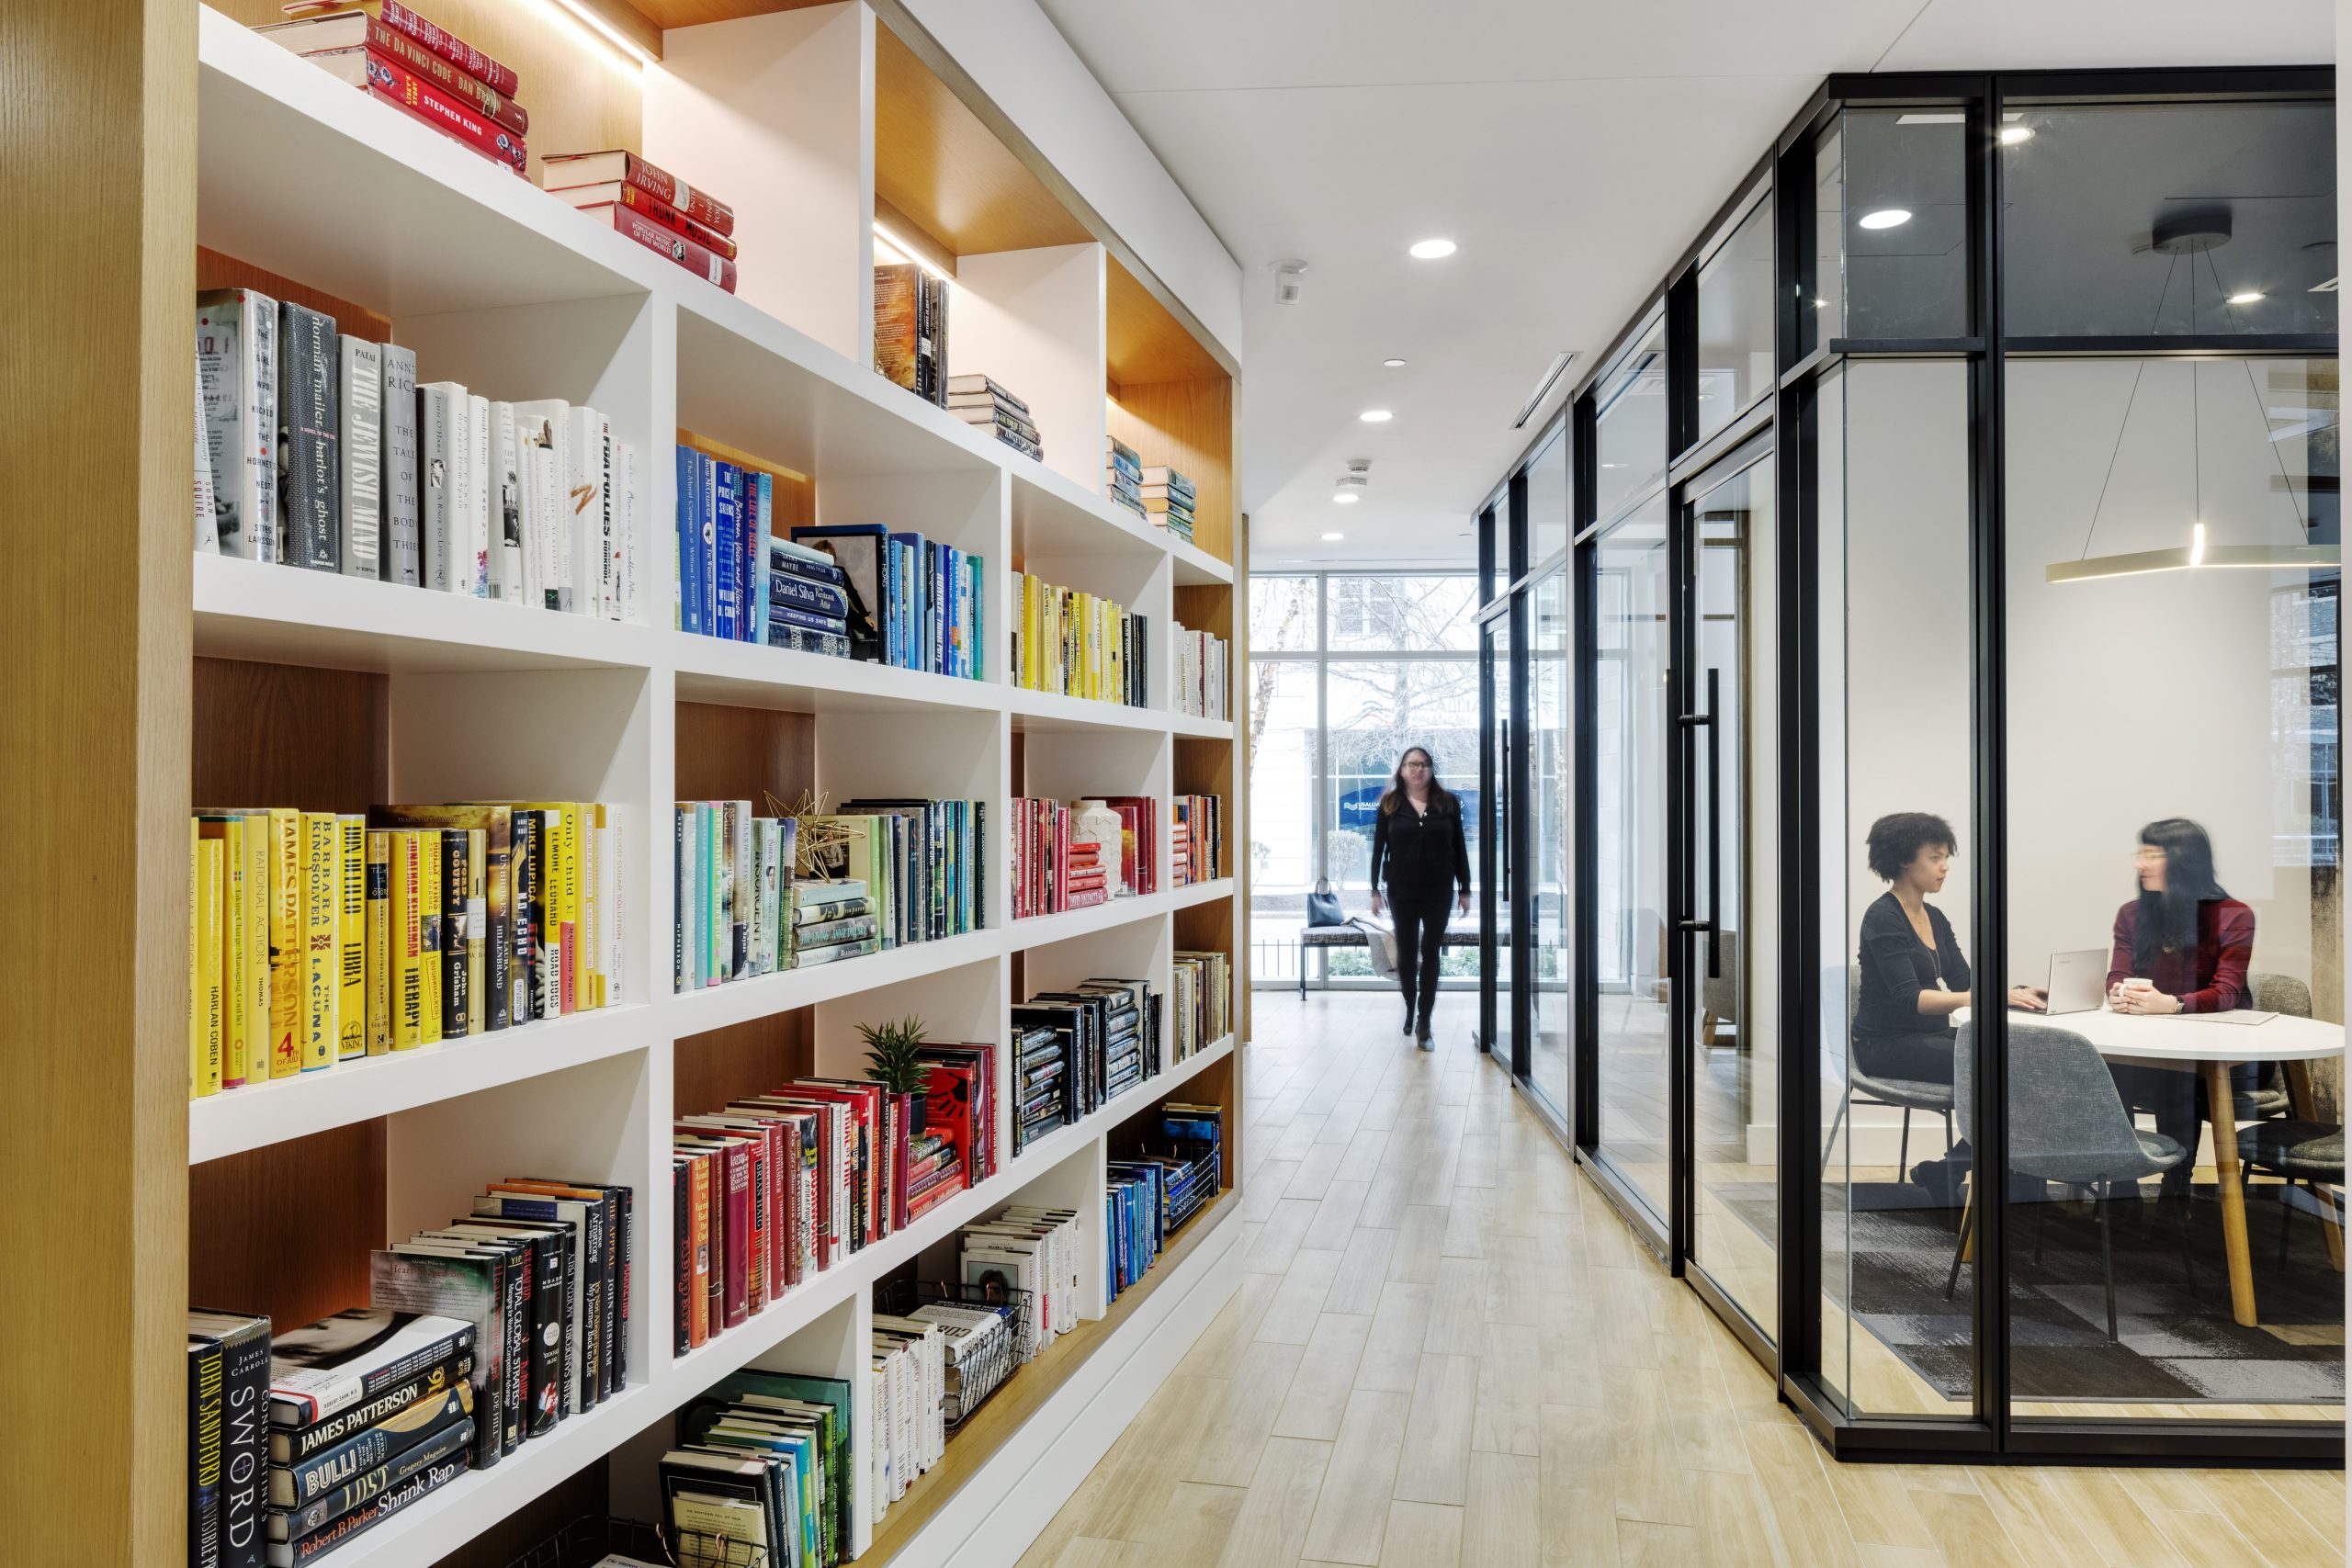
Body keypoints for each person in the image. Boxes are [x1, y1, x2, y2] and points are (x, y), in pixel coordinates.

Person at [1853, 812, 2043, 1192]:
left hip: (1931, 1037)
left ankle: (1953, 1172)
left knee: (2029, 1059)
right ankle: (1984, 1176)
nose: (1945, 867)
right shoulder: (1882, 917)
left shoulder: (1934, 917)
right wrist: (1992, 997)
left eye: (1945, 857)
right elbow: (1911, 999)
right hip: (1884, 1045)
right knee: (2007, 1073)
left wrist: (2017, 993)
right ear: (1903, 860)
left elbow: (1965, 983)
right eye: (1935, 858)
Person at [2103, 818, 2258, 1200]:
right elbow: (2117, 974)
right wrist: (2119, 993)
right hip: (2151, 1046)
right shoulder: (2132, 914)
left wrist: (2172, 1005)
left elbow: (2227, 992)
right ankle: (2123, 1185)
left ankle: (2176, 1187)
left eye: (2151, 854)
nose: (2140, 864)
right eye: (2140, 853)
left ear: (2183, 860)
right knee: (2104, 1066)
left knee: (2175, 1071)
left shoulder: (2233, 914)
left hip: (2222, 1053)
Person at [1368, 747, 1471, 1049]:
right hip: (1401, 890)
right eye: (1412, 764)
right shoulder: (1389, 804)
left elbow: (1459, 846)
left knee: (1431, 951)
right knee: (1407, 952)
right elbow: (1379, 848)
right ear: (1402, 770)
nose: (1419, 769)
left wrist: (1465, 888)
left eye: (1424, 764)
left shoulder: (1447, 802)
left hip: (1439, 888)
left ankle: (1424, 1021)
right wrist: (1374, 889)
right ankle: (1410, 1005)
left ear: (1431, 770)